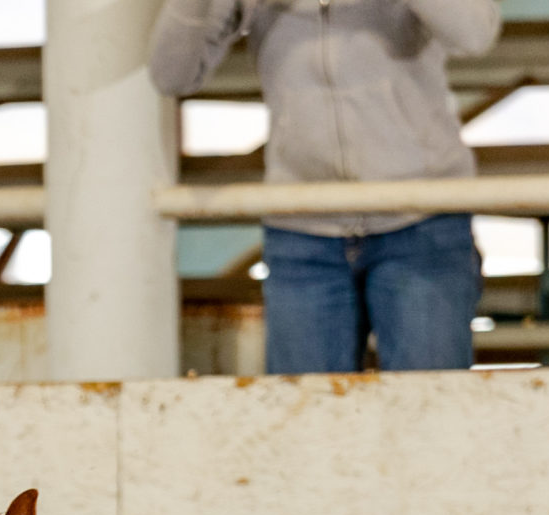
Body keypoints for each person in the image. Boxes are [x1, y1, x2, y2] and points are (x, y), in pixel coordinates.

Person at [149, 0, 501, 373]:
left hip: (421, 221)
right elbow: (172, 75)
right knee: (308, 419)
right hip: (302, 233)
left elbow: (475, 34)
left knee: (430, 412)